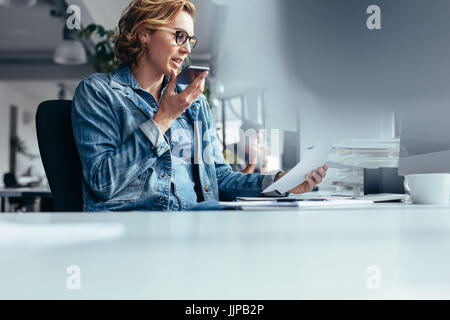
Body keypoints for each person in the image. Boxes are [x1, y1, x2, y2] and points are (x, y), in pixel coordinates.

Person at [72, 0, 328, 212]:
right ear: (145, 33)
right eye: (179, 36)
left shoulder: (194, 102)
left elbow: (220, 178)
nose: (186, 50)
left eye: (190, 41)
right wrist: (162, 119)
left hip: (197, 224)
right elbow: (102, 182)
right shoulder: (98, 92)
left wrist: (279, 183)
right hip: (132, 230)